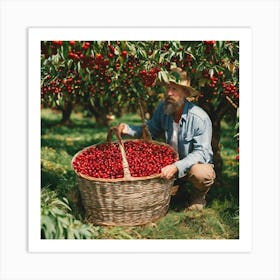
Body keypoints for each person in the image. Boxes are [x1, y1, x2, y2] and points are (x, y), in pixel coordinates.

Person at [117, 67, 216, 211]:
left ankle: (197, 196)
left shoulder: (199, 117)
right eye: (168, 88)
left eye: (174, 89)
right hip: (170, 163)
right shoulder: (164, 109)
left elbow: (202, 153)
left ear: (185, 93)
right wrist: (128, 129)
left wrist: (177, 166)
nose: (169, 93)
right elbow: (150, 130)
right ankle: (176, 188)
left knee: (201, 173)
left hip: (189, 165)